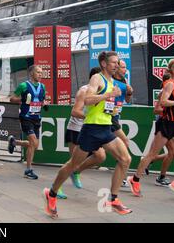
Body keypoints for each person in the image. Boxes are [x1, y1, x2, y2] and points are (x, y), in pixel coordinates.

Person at [43, 51, 132, 218]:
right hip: (91, 129)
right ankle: (52, 192)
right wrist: (108, 95)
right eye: (113, 62)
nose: (116, 65)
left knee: (125, 159)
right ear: (104, 64)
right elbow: (88, 100)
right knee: (72, 165)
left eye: (117, 63)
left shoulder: (113, 81)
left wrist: (112, 107)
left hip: (106, 128)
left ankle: (113, 199)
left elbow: (106, 106)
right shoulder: (97, 78)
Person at [128, 58, 174, 196]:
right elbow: (162, 102)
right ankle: (135, 179)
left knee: (171, 153)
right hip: (166, 124)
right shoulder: (170, 84)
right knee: (152, 154)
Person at [64, 67, 106, 191]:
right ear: (94, 78)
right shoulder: (84, 91)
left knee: (100, 156)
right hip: (76, 130)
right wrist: (90, 117)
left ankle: (76, 172)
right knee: (72, 162)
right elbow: (75, 111)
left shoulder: (101, 92)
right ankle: (55, 189)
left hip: (89, 129)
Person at [8, 65, 47, 179]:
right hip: (26, 117)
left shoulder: (42, 86)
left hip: (36, 118)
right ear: (31, 73)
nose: (40, 74)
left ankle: (14, 142)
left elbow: (42, 99)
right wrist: (22, 100)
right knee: (33, 142)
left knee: (35, 145)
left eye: (41, 72)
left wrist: (44, 103)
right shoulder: (24, 85)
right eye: (38, 72)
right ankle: (28, 170)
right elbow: (12, 99)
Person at [147, 73, 174, 186]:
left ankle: (151, 160)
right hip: (165, 123)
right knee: (173, 153)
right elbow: (156, 110)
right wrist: (172, 110)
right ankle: (161, 176)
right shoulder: (164, 91)